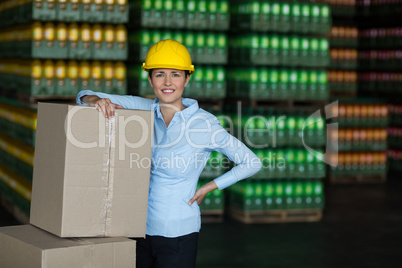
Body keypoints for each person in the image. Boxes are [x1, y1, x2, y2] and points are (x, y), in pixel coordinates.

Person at [76, 39, 262, 268]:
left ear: (187, 78)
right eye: (159, 74)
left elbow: (251, 162)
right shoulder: (144, 108)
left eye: (175, 74)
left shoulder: (203, 124)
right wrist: (95, 100)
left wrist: (210, 186)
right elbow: (84, 95)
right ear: (150, 79)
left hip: (178, 235)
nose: (167, 82)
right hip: (138, 230)